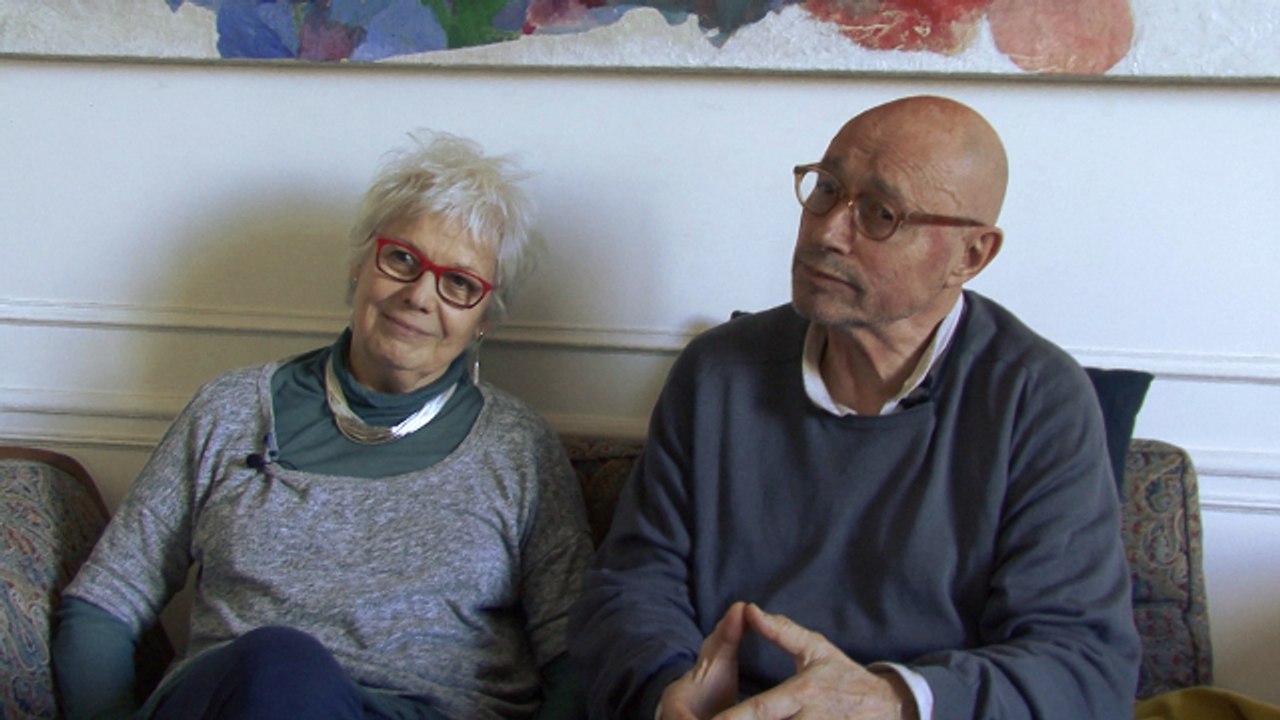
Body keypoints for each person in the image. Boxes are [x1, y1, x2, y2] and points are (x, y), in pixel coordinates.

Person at [567, 95, 1141, 720]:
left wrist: (893, 700)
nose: (826, 231)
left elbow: (1083, 664)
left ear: (971, 256)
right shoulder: (716, 373)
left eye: (880, 213)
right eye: (826, 190)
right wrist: (665, 689)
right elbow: (631, 584)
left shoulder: (1036, 401)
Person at [52, 130, 593, 720]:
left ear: (485, 319)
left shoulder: (518, 449)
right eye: (402, 259)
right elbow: (102, 607)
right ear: (360, 264)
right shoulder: (231, 412)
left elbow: (575, 653)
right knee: (282, 667)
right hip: (247, 698)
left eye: (459, 284)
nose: (419, 295)